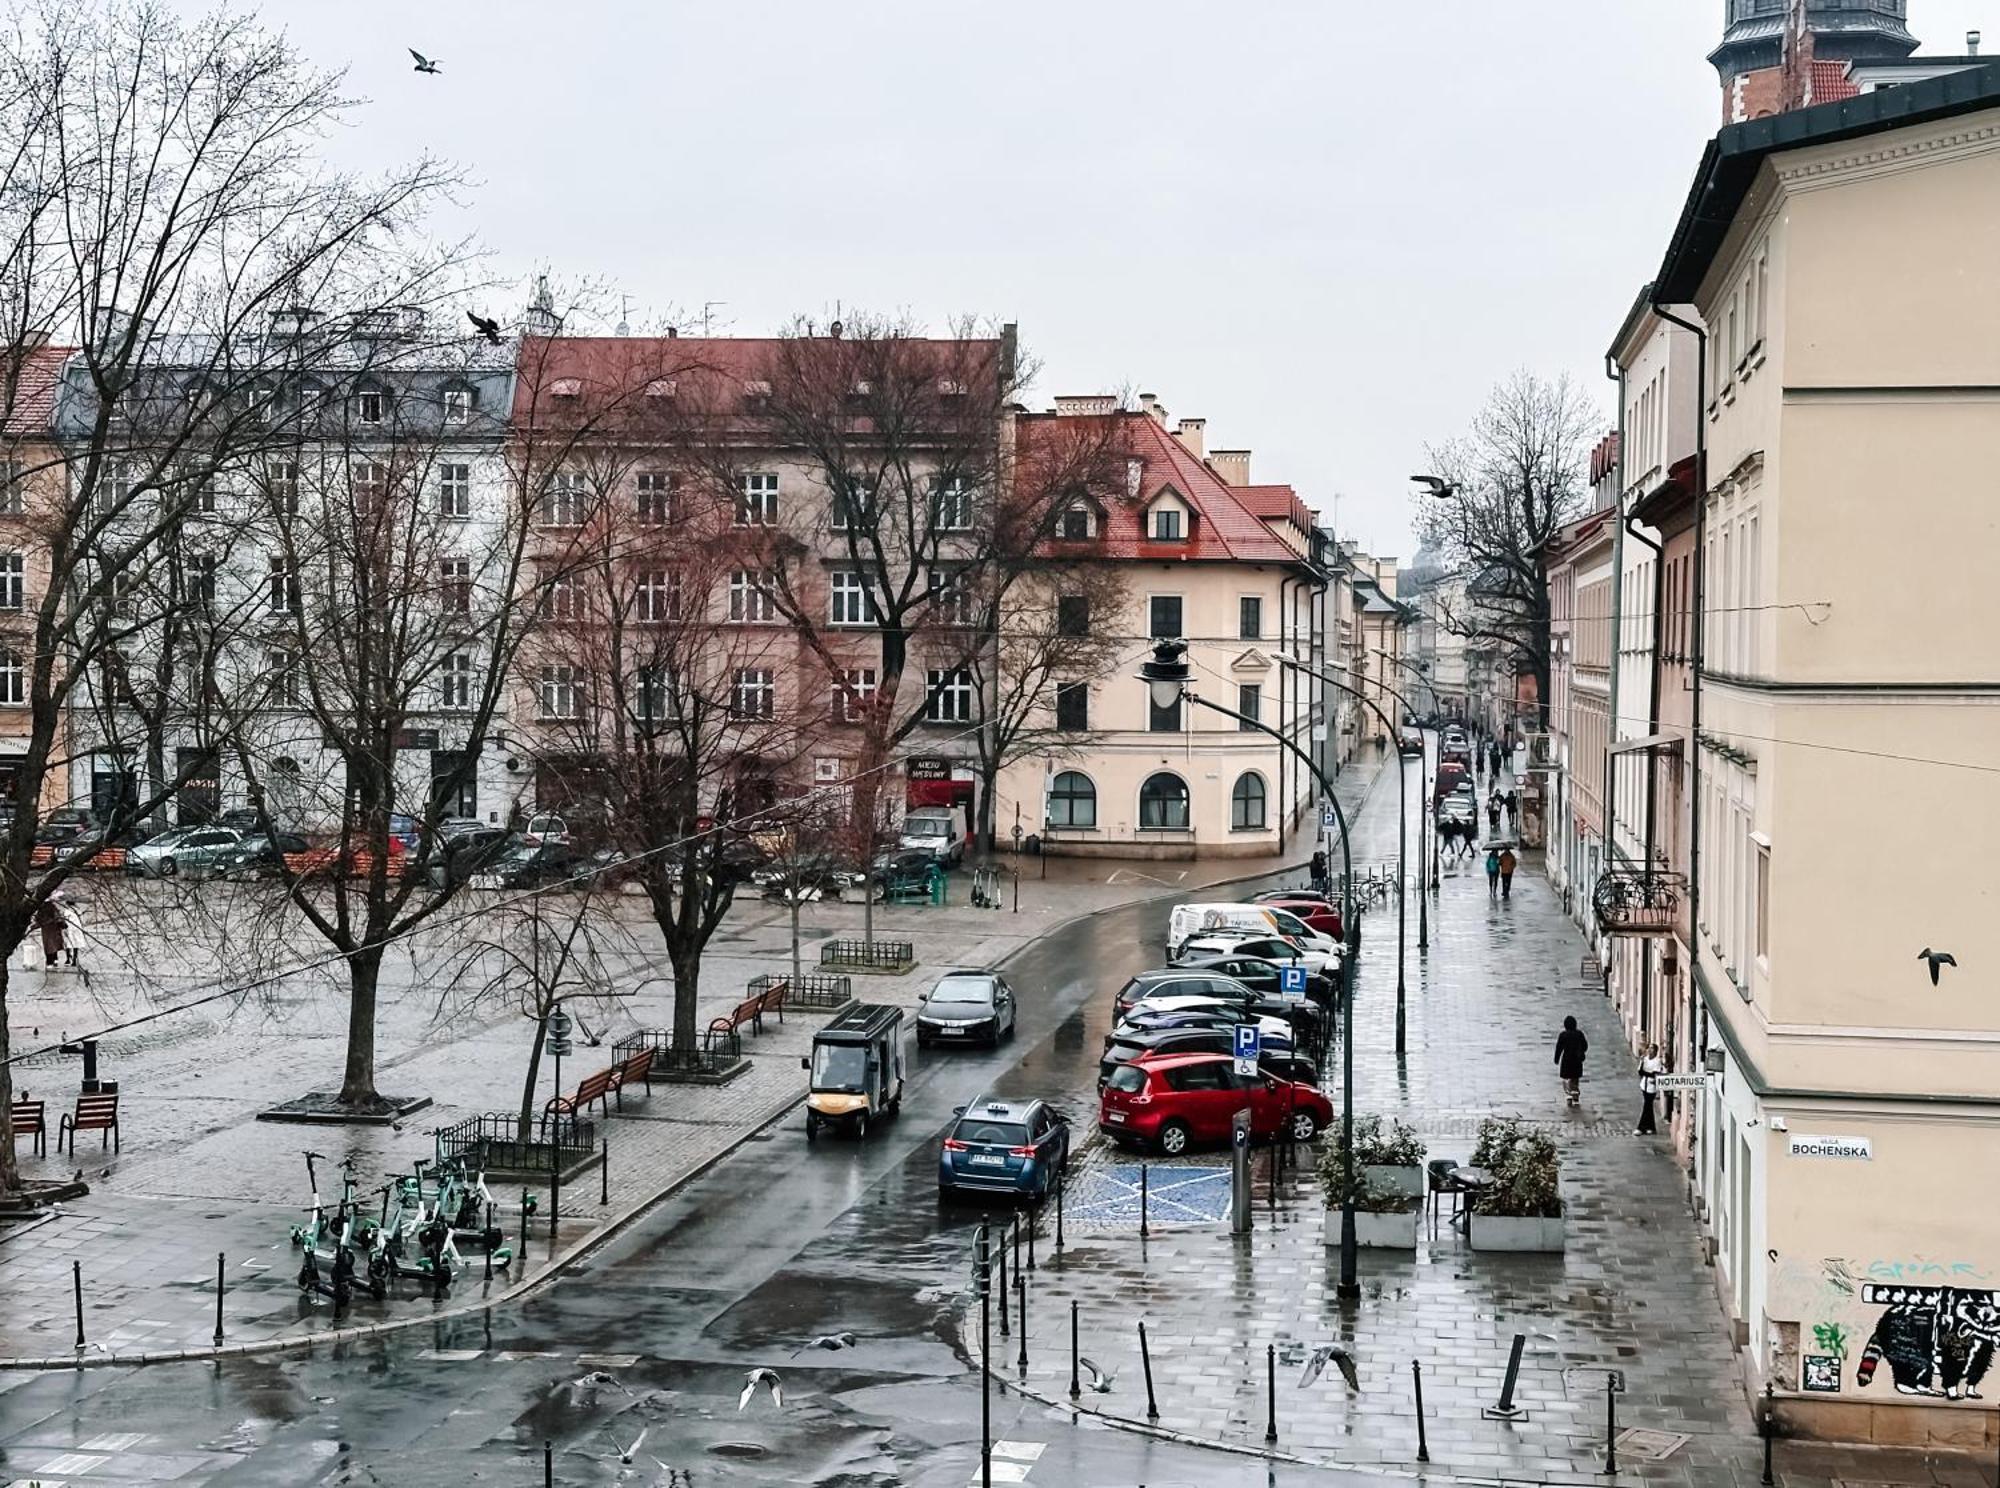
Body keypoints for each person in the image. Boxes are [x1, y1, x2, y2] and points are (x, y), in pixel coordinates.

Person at [1555, 1015, 1589, 1108]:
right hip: (1577, 1060)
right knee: (1575, 1078)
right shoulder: (1579, 1034)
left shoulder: (1563, 1035)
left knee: (1566, 1078)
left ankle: (1568, 1094)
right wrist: (1581, 1051)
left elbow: (1559, 1048)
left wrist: (1556, 1059)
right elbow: (1585, 1046)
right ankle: (1575, 1094)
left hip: (1566, 1060)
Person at [1636, 1043, 1664, 1135]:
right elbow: (1640, 1072)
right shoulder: (1645, 1059)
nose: (1650, 1050)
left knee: (1647, 1106)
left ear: (1656, 1051)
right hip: (1644, 1085)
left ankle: (1641, 1127)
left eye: (1652, 1049)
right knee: (1649, 1107)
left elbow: (1654, 1074)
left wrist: (1646, 1072)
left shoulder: (1657, 1061)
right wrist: (1642, 1063)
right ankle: (1650, 1127)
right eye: (1649, 1048)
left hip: (1652, 1086)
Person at [33, 896, 64, 969]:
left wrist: (35, 925)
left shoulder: (41, 909)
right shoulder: (53, 907)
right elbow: (58, 918)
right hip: (54, 928)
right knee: (54, 944)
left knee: (48, 945)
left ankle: (49, 961)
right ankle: (54, 959)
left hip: (46, 929)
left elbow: (38, 919)